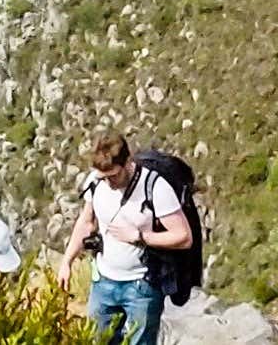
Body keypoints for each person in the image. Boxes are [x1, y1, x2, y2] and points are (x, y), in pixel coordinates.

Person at [58, 136, 188, 345]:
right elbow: (86, 222)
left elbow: (183, 236)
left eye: (113, 176)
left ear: (128, 163)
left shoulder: (155, 187)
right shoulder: (95, 182)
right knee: (97, 340)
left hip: (142, 286)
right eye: (103, 177)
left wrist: (140, 237)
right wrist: (67, 261)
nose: (109, 182)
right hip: (103, 281)